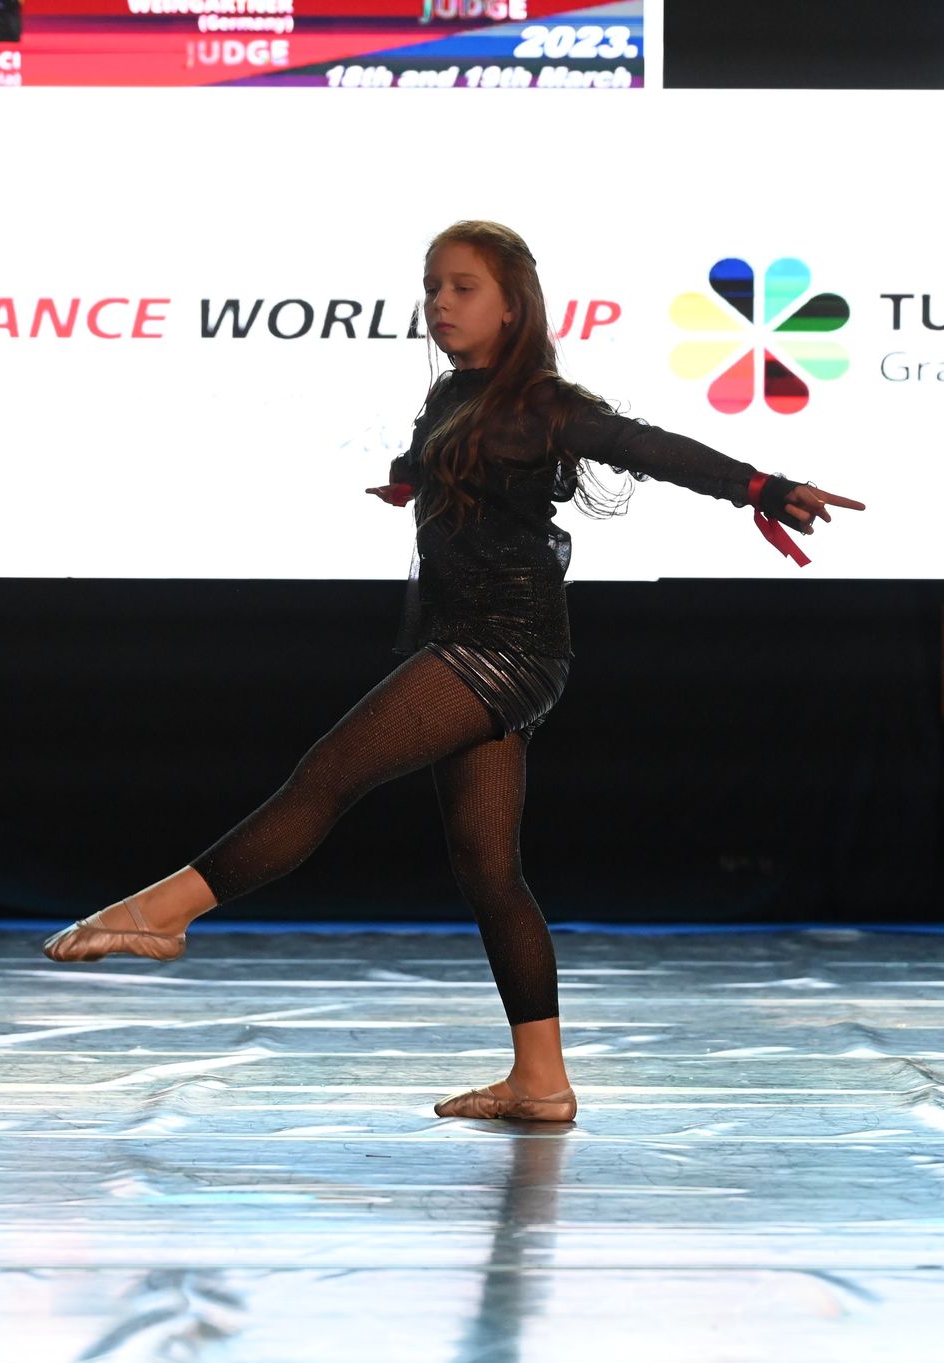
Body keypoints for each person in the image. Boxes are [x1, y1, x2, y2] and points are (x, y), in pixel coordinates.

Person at [42, 220, 866, 1122]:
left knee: (327, 775)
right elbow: (434, 453)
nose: (440, 301)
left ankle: (163, 911)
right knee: (489, 871)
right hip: (480, 641)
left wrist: (762, 487)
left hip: (500, 647)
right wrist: (412, 479)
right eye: (433, 285)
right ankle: (541, 1081)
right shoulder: (453, 397)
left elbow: (651, 447)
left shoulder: (543, 403)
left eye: (463, 287)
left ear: (513, 307)